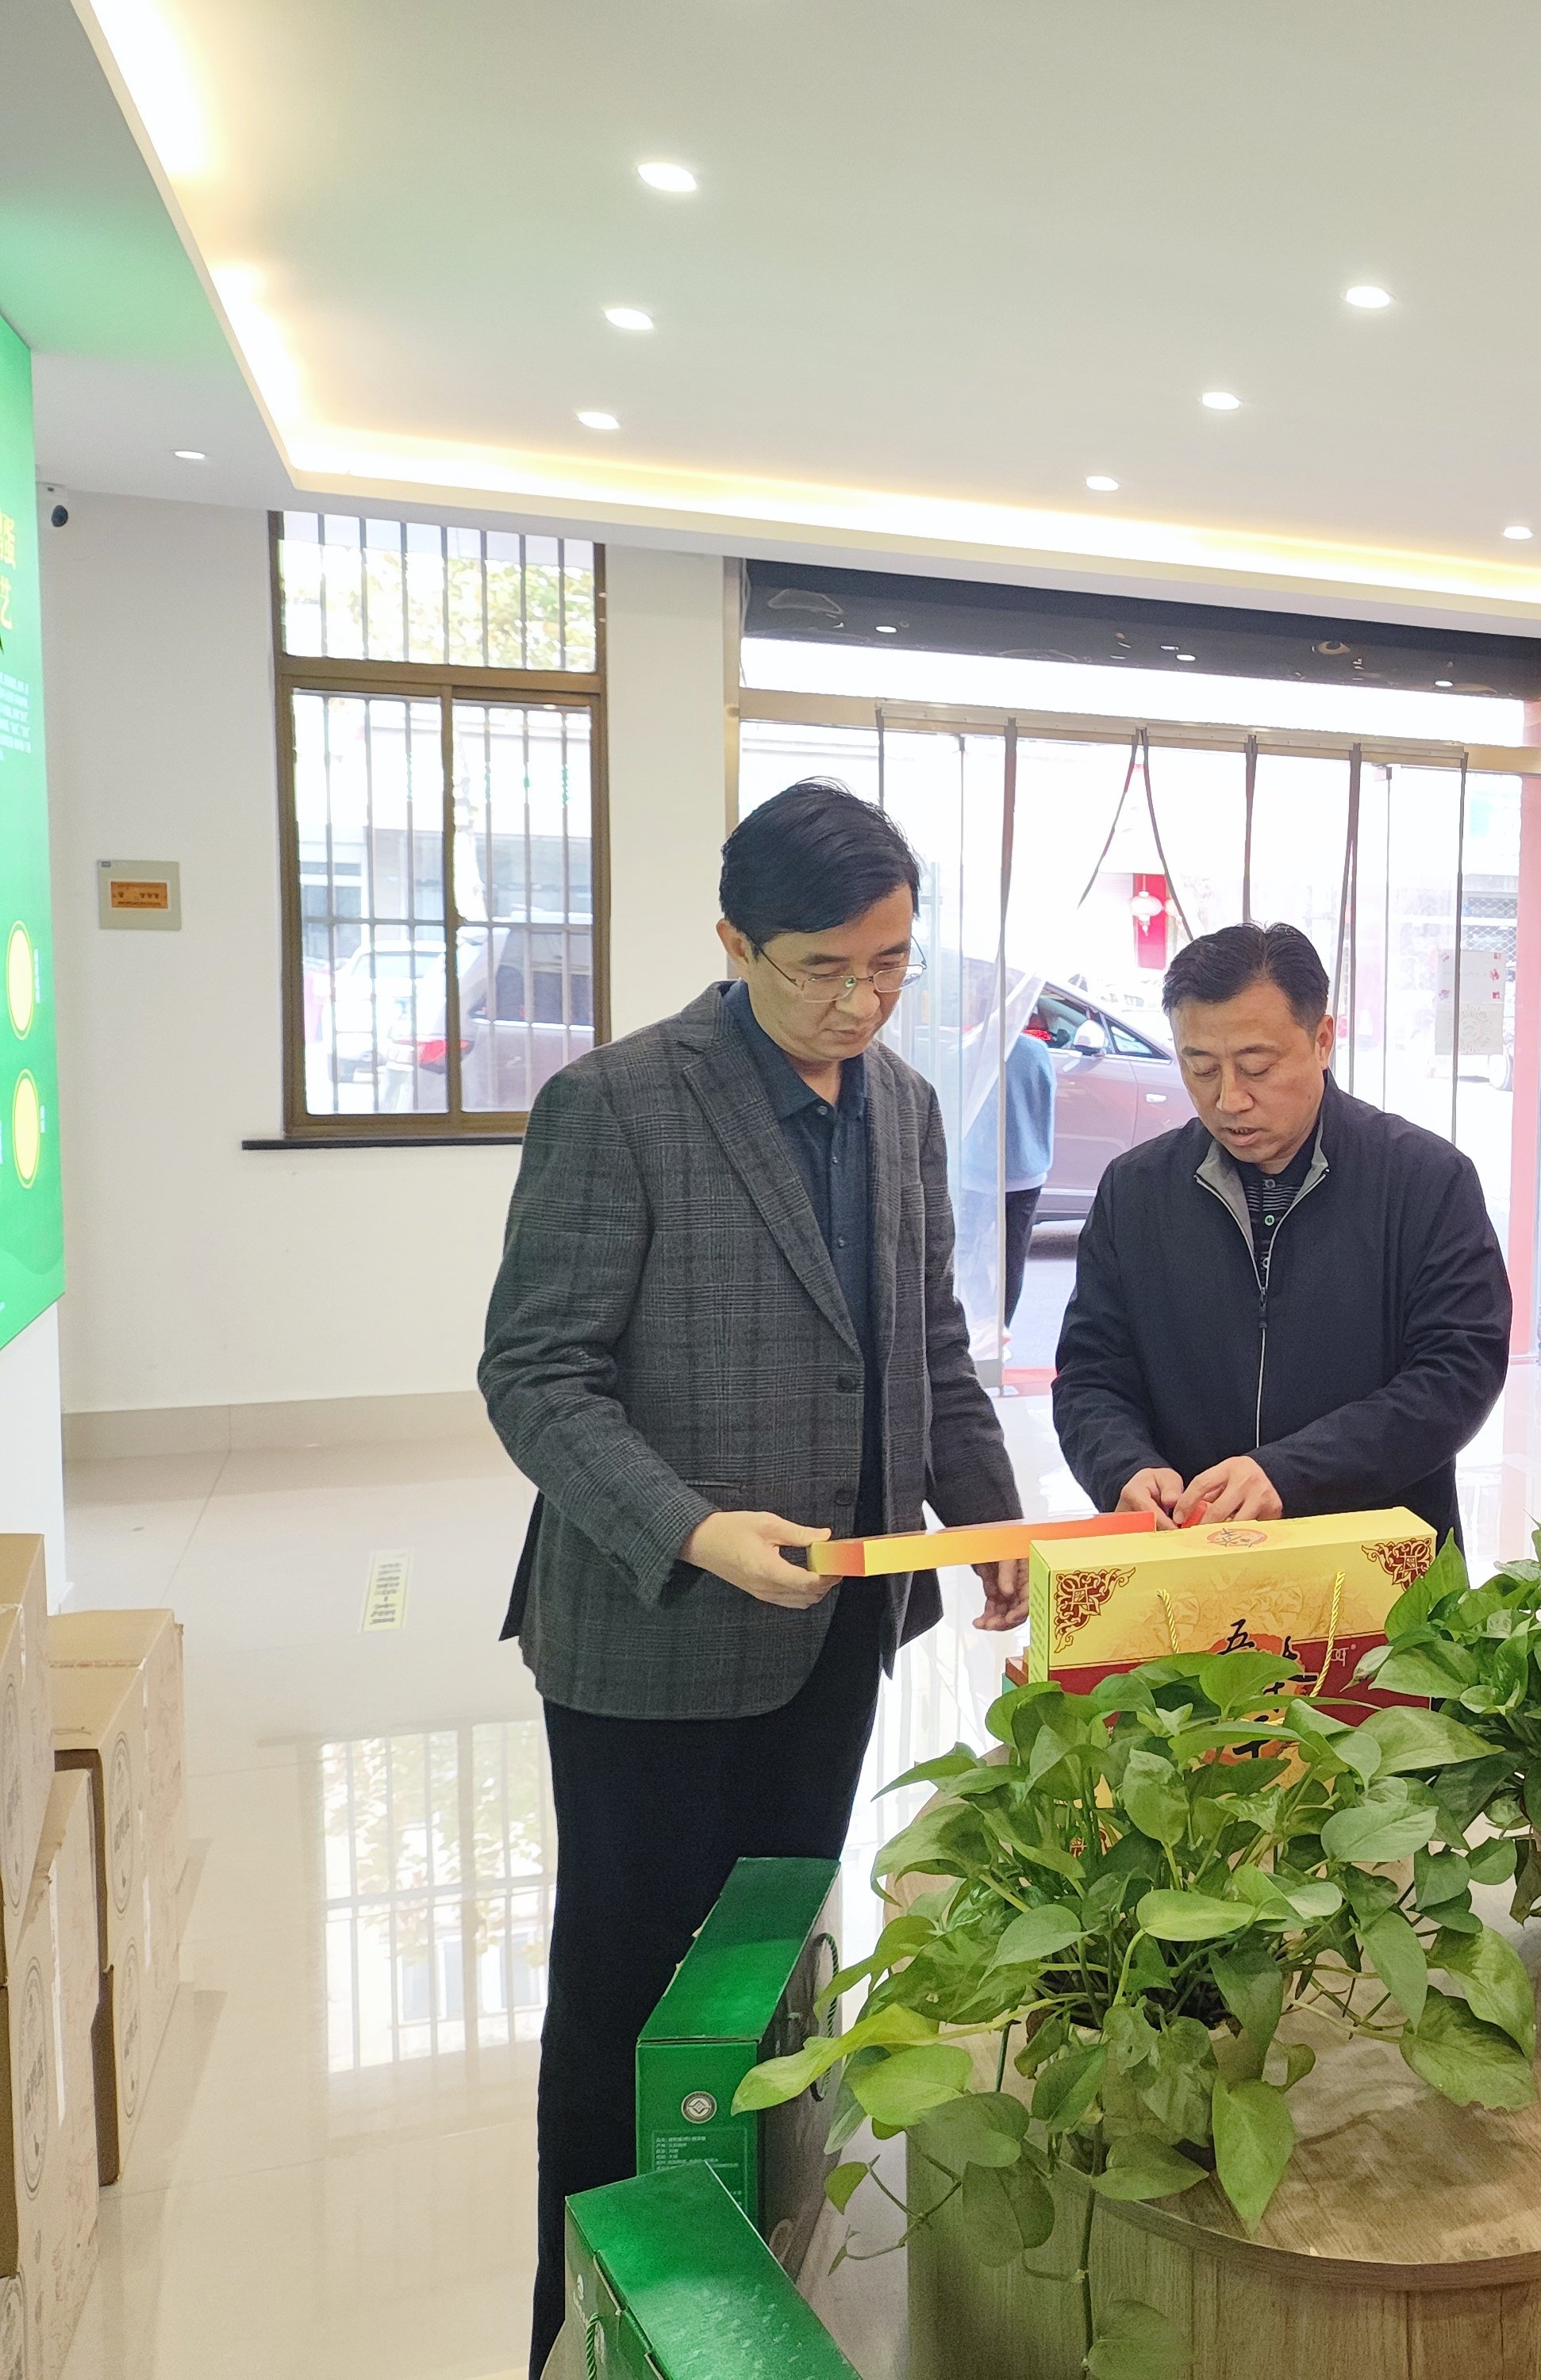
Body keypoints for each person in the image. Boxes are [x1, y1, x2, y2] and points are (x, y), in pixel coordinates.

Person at [479, 779, 1026, 2375]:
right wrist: (694, 1528)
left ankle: (735, 2284)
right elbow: (536, 1377)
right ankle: (583, 2333)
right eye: (822, 969)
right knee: (629, 2005)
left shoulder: (903, 1107)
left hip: (835, 1630)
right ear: (734, 943)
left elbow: (924, 1346)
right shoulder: (620, 1104)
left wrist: (986, 1519)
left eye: (891, 964)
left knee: (766, 1975)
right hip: (650, 1641)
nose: (860, 1002)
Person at [1055, 920, 1508, 1536]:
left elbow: (1458, 1373)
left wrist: (1291, 1474)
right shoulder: (1137, 1190)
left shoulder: (1425, 1180)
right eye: (1201, 1068)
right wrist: (1123, 1468)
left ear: (1322, 1040)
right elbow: (1090, 1374)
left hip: (1379, 1558)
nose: (1229, 1099)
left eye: (1257, 1067)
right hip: (1191, 1555)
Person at [1003, 1007, 1057, 1322]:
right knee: (1013, 1260)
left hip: (979, 1175)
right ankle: (1003, 1328)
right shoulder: (1036, 1052)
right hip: (1027, 1171)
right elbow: (1046, 1103)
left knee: (971, 1256)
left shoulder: (971, 1049)